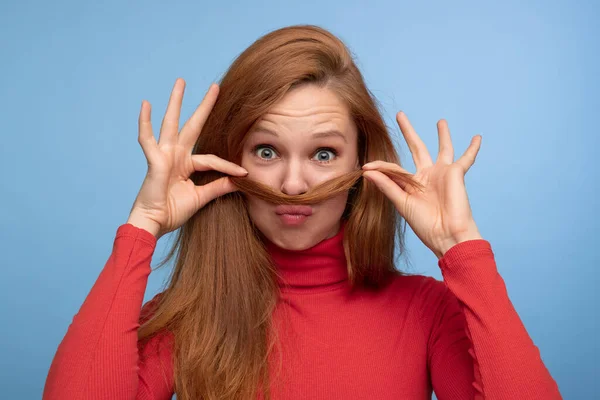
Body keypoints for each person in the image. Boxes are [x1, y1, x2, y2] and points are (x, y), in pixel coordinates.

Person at [43, 25, 562, 400]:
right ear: (231, 160)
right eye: (266, 151)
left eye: (323, 153)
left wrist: (461, 249)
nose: (293, 184)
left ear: (362, 162)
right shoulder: (184, 318)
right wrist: (143, 226)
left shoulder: (426, 312)